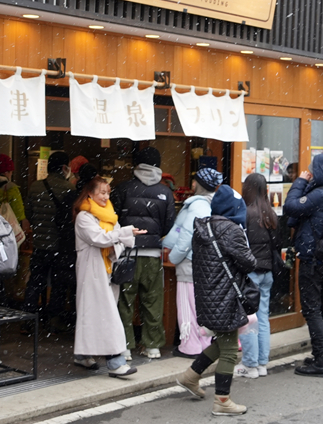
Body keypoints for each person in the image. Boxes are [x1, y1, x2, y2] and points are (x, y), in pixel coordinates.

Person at [175, 185, 257, 415]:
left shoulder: (204, 227)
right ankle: (222, 401)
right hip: (226, 297)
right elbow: (249, 262)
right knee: (230, 350)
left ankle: (190, 376)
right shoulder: (231, 230)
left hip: (208, 296)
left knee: (223, 342)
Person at [283, 150, 323, 377]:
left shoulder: (321, 195)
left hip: (314, 259)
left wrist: (300, 181)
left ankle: (321, 360)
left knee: (312, 310)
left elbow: (290, 207)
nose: (310, 171)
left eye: (313, 168)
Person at [72, 176, 143, 377]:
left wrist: (122, 236)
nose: (105, 196)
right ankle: (115, 361)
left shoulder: (110, 215)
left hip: (107, 270)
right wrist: (123, 234)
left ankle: (82, 354)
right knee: (106, 316)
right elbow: (100, 239)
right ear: (90, 194)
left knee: (93, 315)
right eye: (102, 192)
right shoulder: (84, 217)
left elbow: (116, 240)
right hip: (91, 271)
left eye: (107, 192)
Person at [112, 146, 176, 359]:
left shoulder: (123, 189)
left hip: (127, 253)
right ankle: (153, 346)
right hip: (152, 255)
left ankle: (125, 346)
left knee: (125, 301)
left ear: (136, 164)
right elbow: (169, 225)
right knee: (152, 300)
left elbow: (114, 221)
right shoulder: (166, 192)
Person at [163, 168, 222, 357]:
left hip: (189, 262)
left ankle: (190, 346)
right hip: (203, 262)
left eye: (194, 180)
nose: (193, 184)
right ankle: (204, 343)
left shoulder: (197, 206)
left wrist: (173, 257)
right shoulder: (212, 204)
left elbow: (187, 236)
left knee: (187, 306)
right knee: (199, 305)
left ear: (198, 184)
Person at [25, 151, 77, 328]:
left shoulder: (34, 187)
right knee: (58, 285)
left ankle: (28, 320)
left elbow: (29, 214)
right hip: (59, 245)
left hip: (39, 244)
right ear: (64, 168)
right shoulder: (70, 189)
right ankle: (54, 321)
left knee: (35, 282)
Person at [237, 173, 280, 378]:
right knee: (262, 317)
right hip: (267, 272)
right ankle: (262, 363)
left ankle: (250, 364)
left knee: (248, 319)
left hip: (250, 272)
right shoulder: (270, 213)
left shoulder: (245, 213)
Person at [0, 154, 30, 234]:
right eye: (11, 172)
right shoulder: (12, 189)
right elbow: (19, 215)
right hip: (7, 232)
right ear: (6, 172)